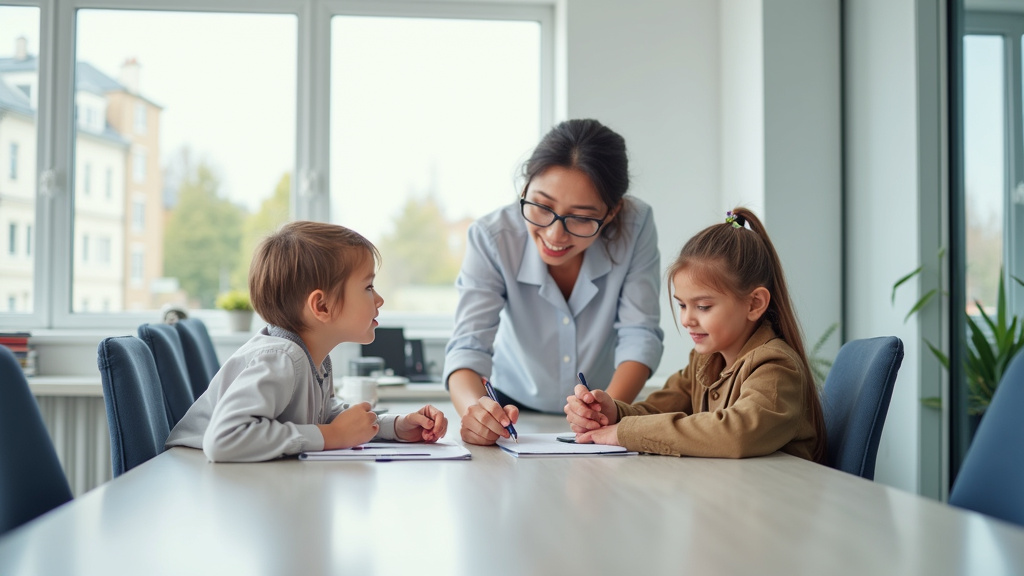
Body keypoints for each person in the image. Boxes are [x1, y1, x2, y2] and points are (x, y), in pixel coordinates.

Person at [445, 118, 664, 446]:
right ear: (524, 188)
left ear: (612, 212)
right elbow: (468, 347)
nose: (554, 234)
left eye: (580, 217)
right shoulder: (492, 237)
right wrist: (476, 413)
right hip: (511, 406)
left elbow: (639, 335)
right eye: (542, 206)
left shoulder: (635, 226)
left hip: (603, 405)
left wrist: (605, 414)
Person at [165, 221, 448, 462]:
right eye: (368, 286)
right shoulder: (280, 359)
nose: (379, 299)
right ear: (322, 307)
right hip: (191, 478)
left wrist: (394, 427)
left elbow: (325, 415)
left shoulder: (312, 357)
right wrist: (333, 436)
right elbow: (223, 439)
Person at [564, 208, 827, 462]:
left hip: (782, 499)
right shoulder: (704, 362)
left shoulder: (776, 367)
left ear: (754, 304)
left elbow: (736, 433)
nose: (687, 319)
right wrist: (613, 412)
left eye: (703, 306)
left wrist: (624, 433)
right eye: (682, 305)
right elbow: (658, 409)